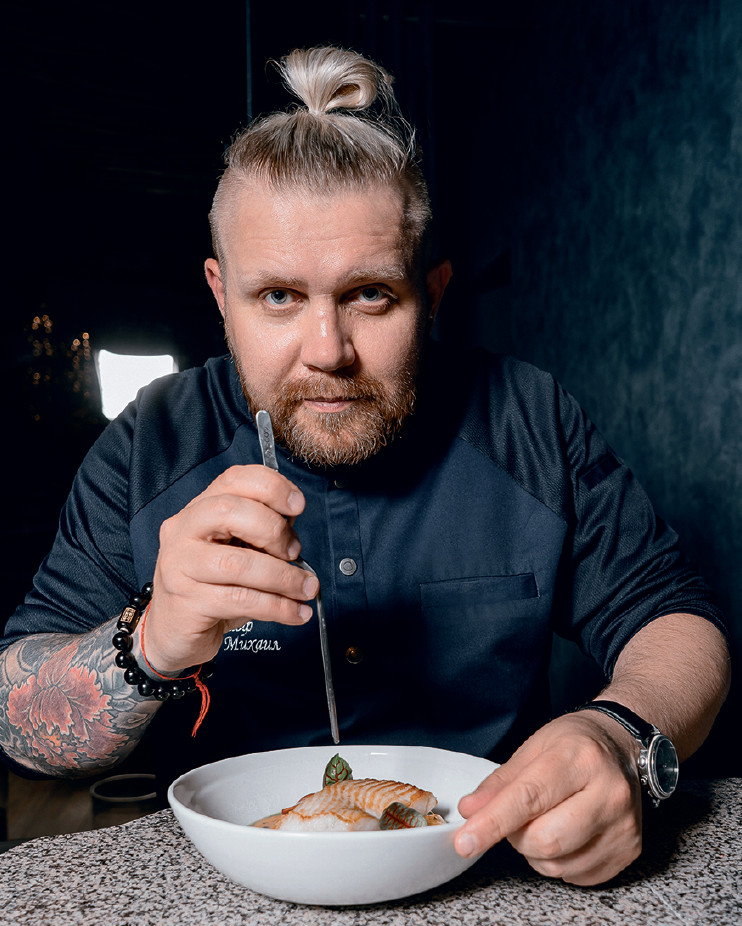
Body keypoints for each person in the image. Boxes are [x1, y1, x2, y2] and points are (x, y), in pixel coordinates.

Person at [0, 46, 730, 885]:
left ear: (434, 294)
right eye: (278, 296)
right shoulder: (147, 445)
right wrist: (151, 641)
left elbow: (675, 619)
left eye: (370, 295)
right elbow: (15, 720)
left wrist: (619, 734)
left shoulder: (527, 417)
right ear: (220, 296)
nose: (327, 351)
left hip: (490, 874)